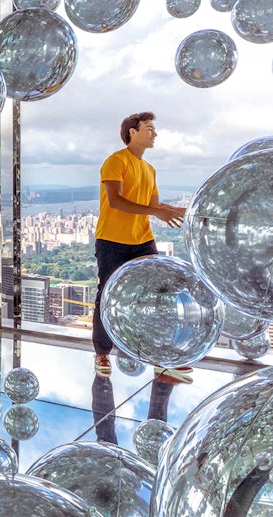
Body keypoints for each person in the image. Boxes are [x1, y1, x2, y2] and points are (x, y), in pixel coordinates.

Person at [93, 111, 185, 378]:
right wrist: (157, 212)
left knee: (158, 295)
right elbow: (116, 201)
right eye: (149, 128)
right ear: (132, 132)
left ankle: (159, 355)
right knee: (106, 296)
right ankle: (101, 353)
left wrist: (171, 209)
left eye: (153, 129)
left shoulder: (149, 169)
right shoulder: (115, 161)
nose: (154, 133)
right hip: (112, 240)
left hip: (143, 240)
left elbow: (153, 206)